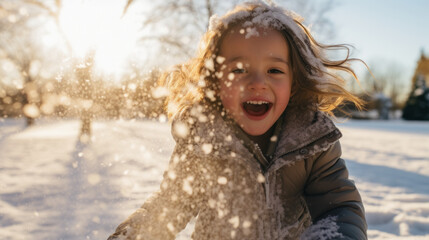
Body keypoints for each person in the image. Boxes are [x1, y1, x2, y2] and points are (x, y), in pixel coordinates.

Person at [108, 1, 367, 239]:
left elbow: (339, 207)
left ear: (294, 82)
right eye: (239, 70)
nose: (257, 83)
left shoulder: (312, 139)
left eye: (274, 70)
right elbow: (171, 204)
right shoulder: (203, 139)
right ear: (216, 81)